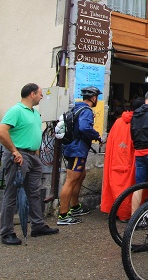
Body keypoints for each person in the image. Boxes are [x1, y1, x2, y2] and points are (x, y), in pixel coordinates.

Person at [0, 83, 59, 244]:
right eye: (39, 94)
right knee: (11, 194)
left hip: (33, 157)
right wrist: (14, 151)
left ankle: (37, 226)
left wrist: (36, 155)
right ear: (32, 94)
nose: (41, 96)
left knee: (34, 193)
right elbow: (0, 132)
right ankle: (6, 233)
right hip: (19, 156)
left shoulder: (34, 113)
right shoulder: (16, 110)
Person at [57, 86, 103, 225]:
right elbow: (84, 127)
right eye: (97, 97)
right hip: (77, 149)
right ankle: (63, 215)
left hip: (72, 147)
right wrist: (97, 136)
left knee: (80, 175)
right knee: (71, 180)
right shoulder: (87, 111)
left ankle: (75, 206)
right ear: (93, 97)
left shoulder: (76, 107)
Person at [100, 97, 142, 220]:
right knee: (130, 188)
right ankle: (126, 214)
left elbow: (110, 143)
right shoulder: (138, 122)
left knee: (116, 187)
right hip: (130, 160)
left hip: (115, 160)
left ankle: (115, 212)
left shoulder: (118, 122)